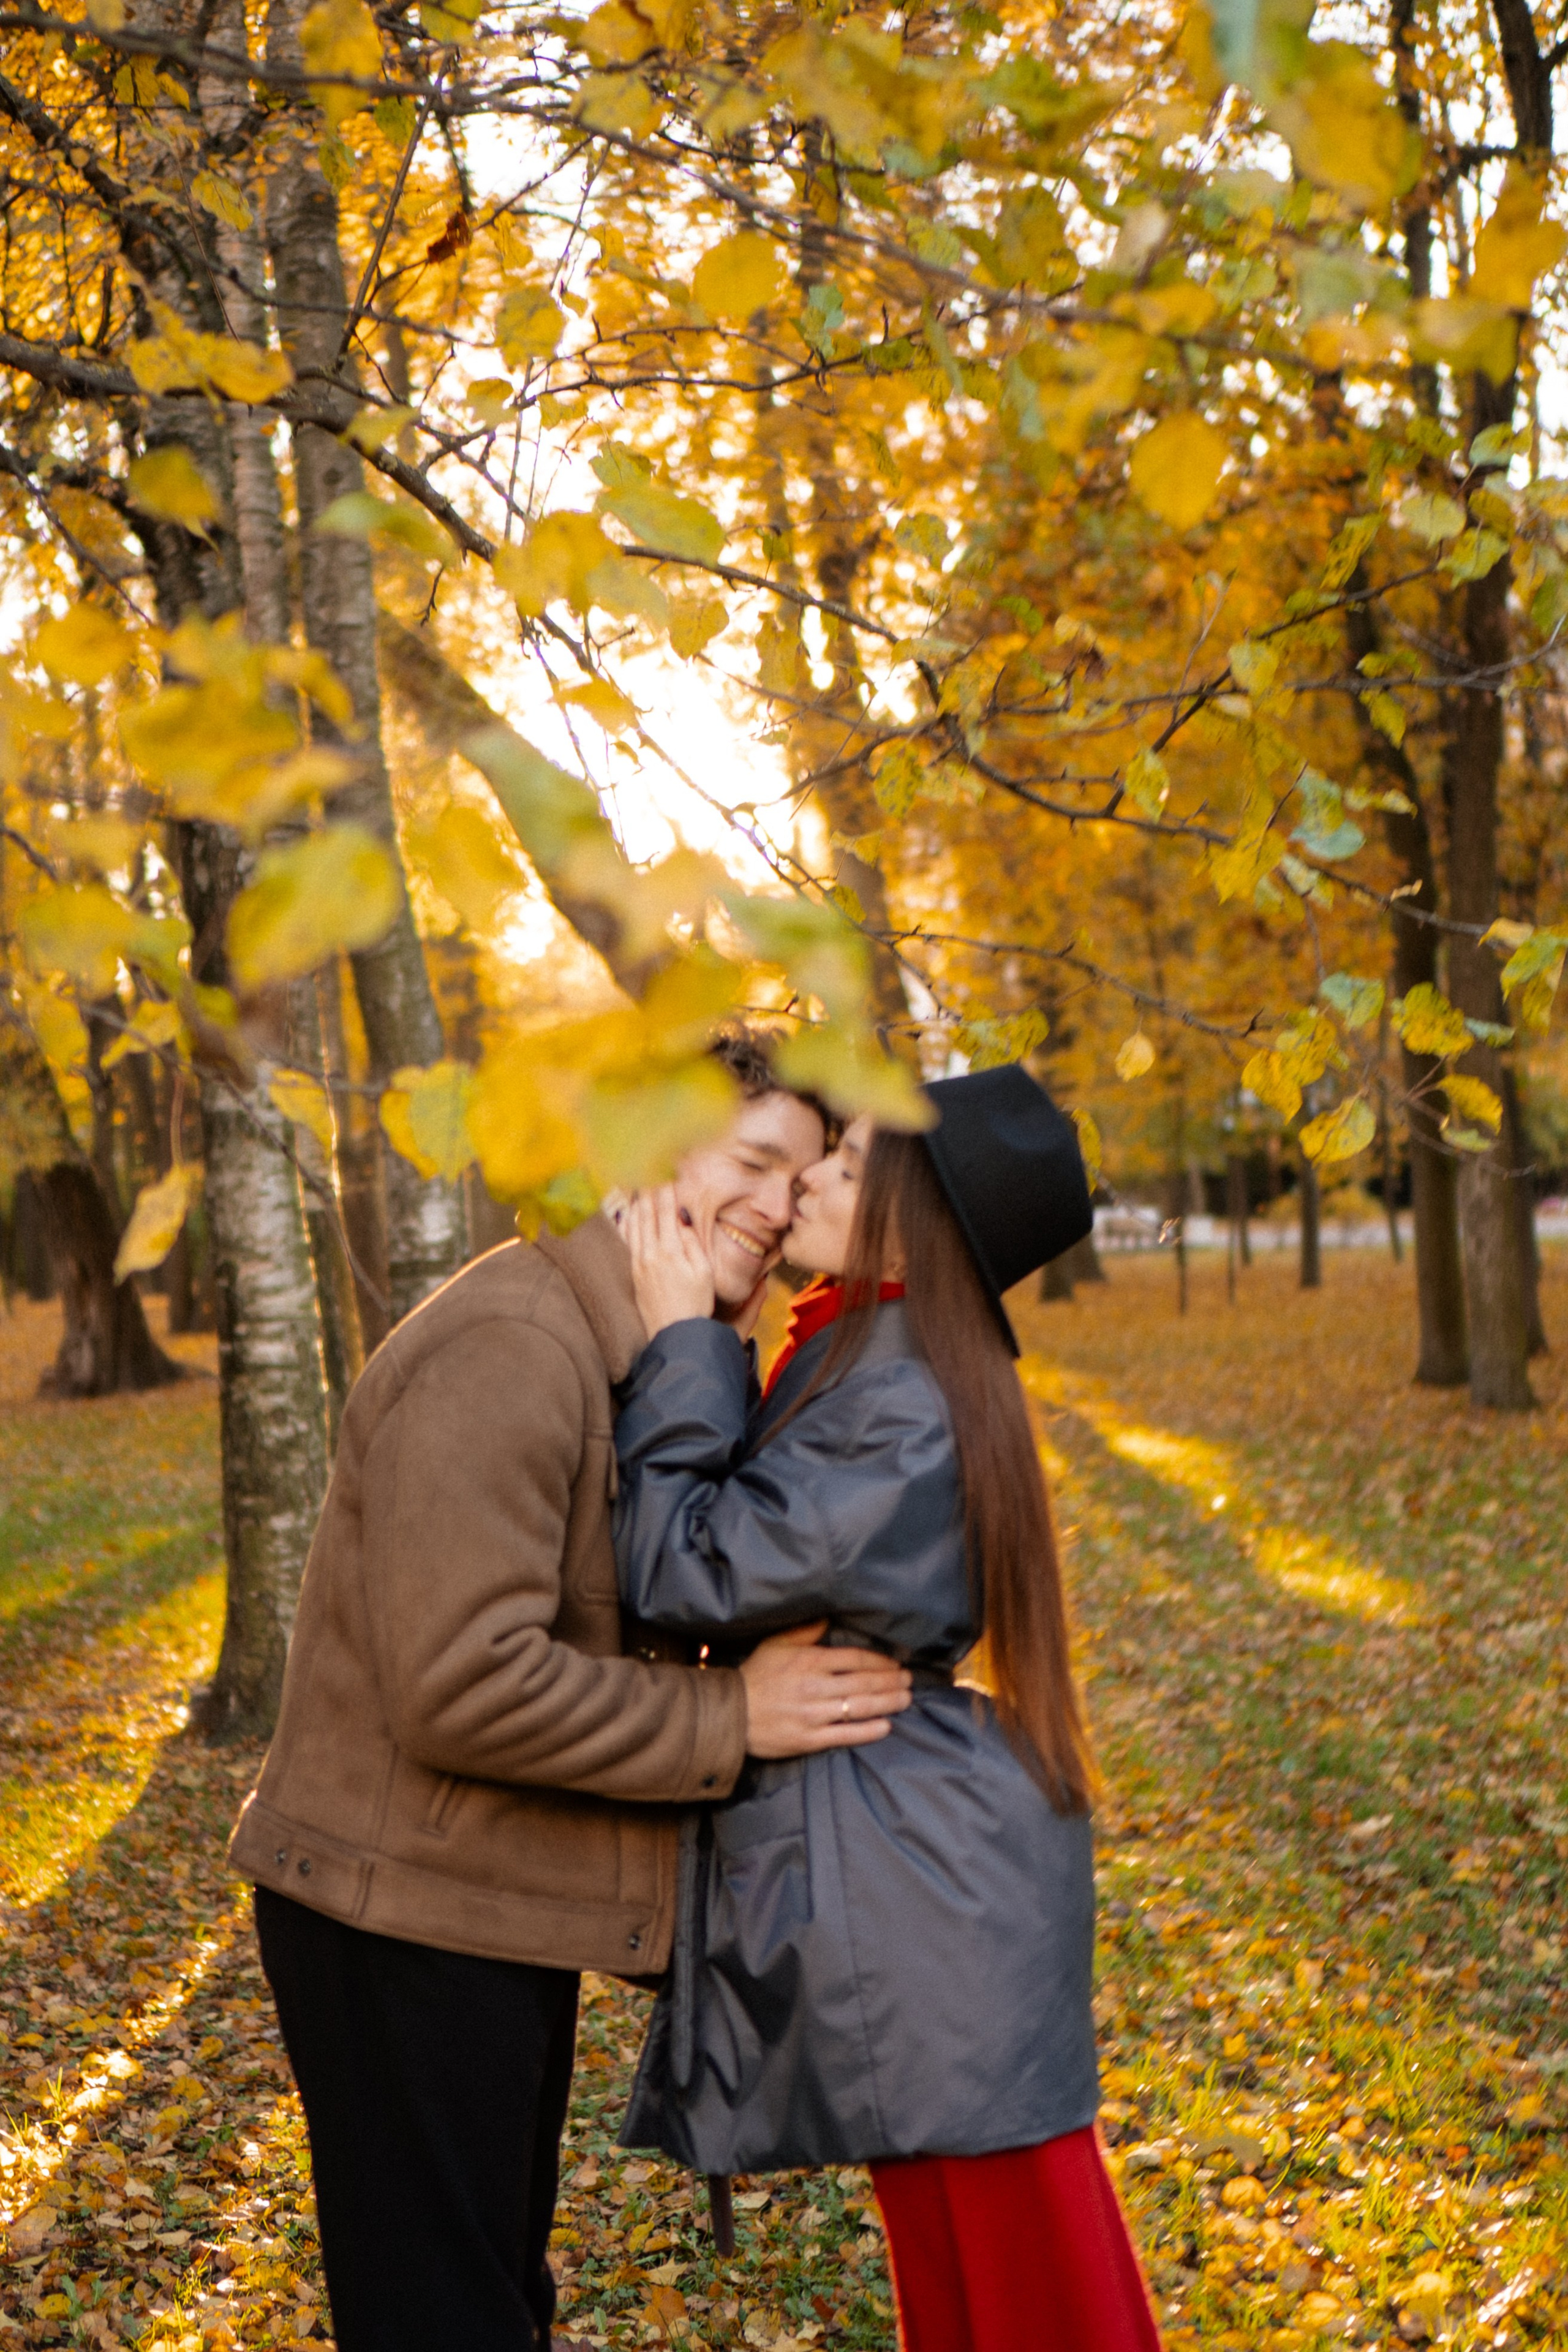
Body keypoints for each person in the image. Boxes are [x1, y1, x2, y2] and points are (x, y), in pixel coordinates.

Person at [228, 1028, 913, 2352]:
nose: (778, 1210)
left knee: (489, 2304)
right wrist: (736, 1718)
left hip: (485, 1907)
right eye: (753, 1162)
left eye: (802, 1178)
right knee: (448, 2319)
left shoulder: (641, 1353)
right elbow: (461, 1685)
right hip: (394, 1920)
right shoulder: (514, 1344)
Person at [613, 1062, 1163, 2352]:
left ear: (909, 1226)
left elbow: (687, 1568)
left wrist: (681, 1340)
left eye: (846, 1169)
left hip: (927, 1901)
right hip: (918, 1883)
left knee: (1032, 2292)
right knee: (968, 2289)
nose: (807, 1178)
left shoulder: (895, 1391)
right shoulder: (860, 1353)